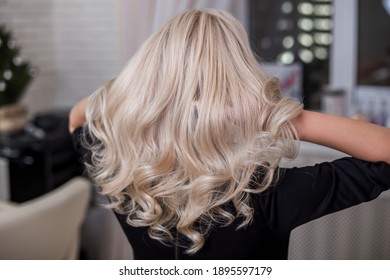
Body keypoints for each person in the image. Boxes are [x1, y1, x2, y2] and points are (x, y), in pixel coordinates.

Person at [69, 9, 390, 260]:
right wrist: (277, 116)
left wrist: (136, 95)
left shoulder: (117, 169)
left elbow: (79, 115)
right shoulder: (263, 195)